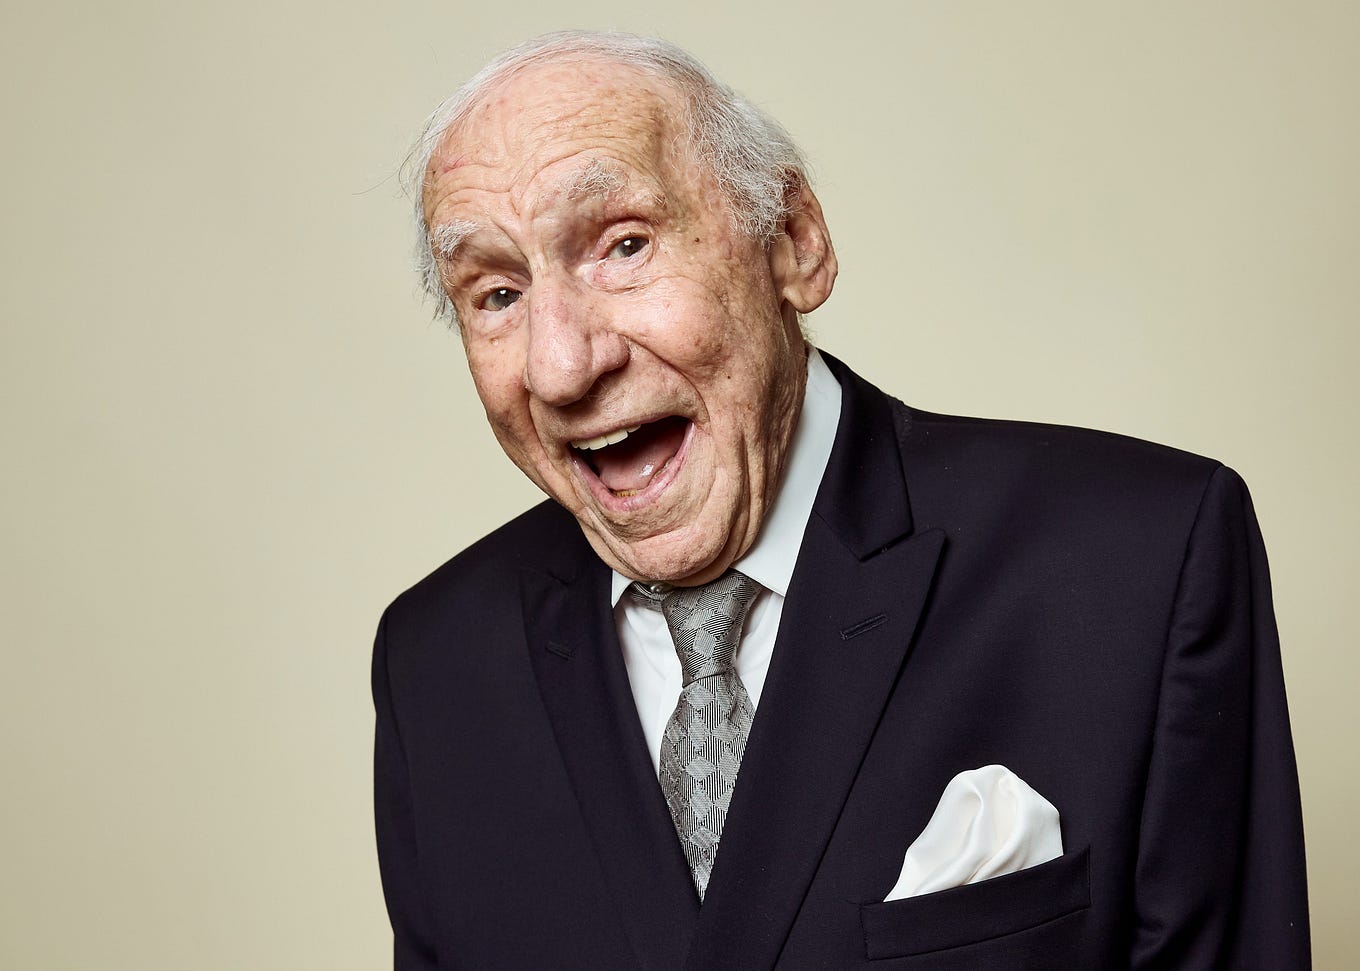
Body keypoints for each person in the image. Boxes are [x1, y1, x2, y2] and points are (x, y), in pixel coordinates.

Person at [373, 30, 1310, 970]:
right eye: (497, 294)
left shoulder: (1139, 562)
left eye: (624, 245)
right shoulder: (434, 664)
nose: (560, 366)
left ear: (795, 241)